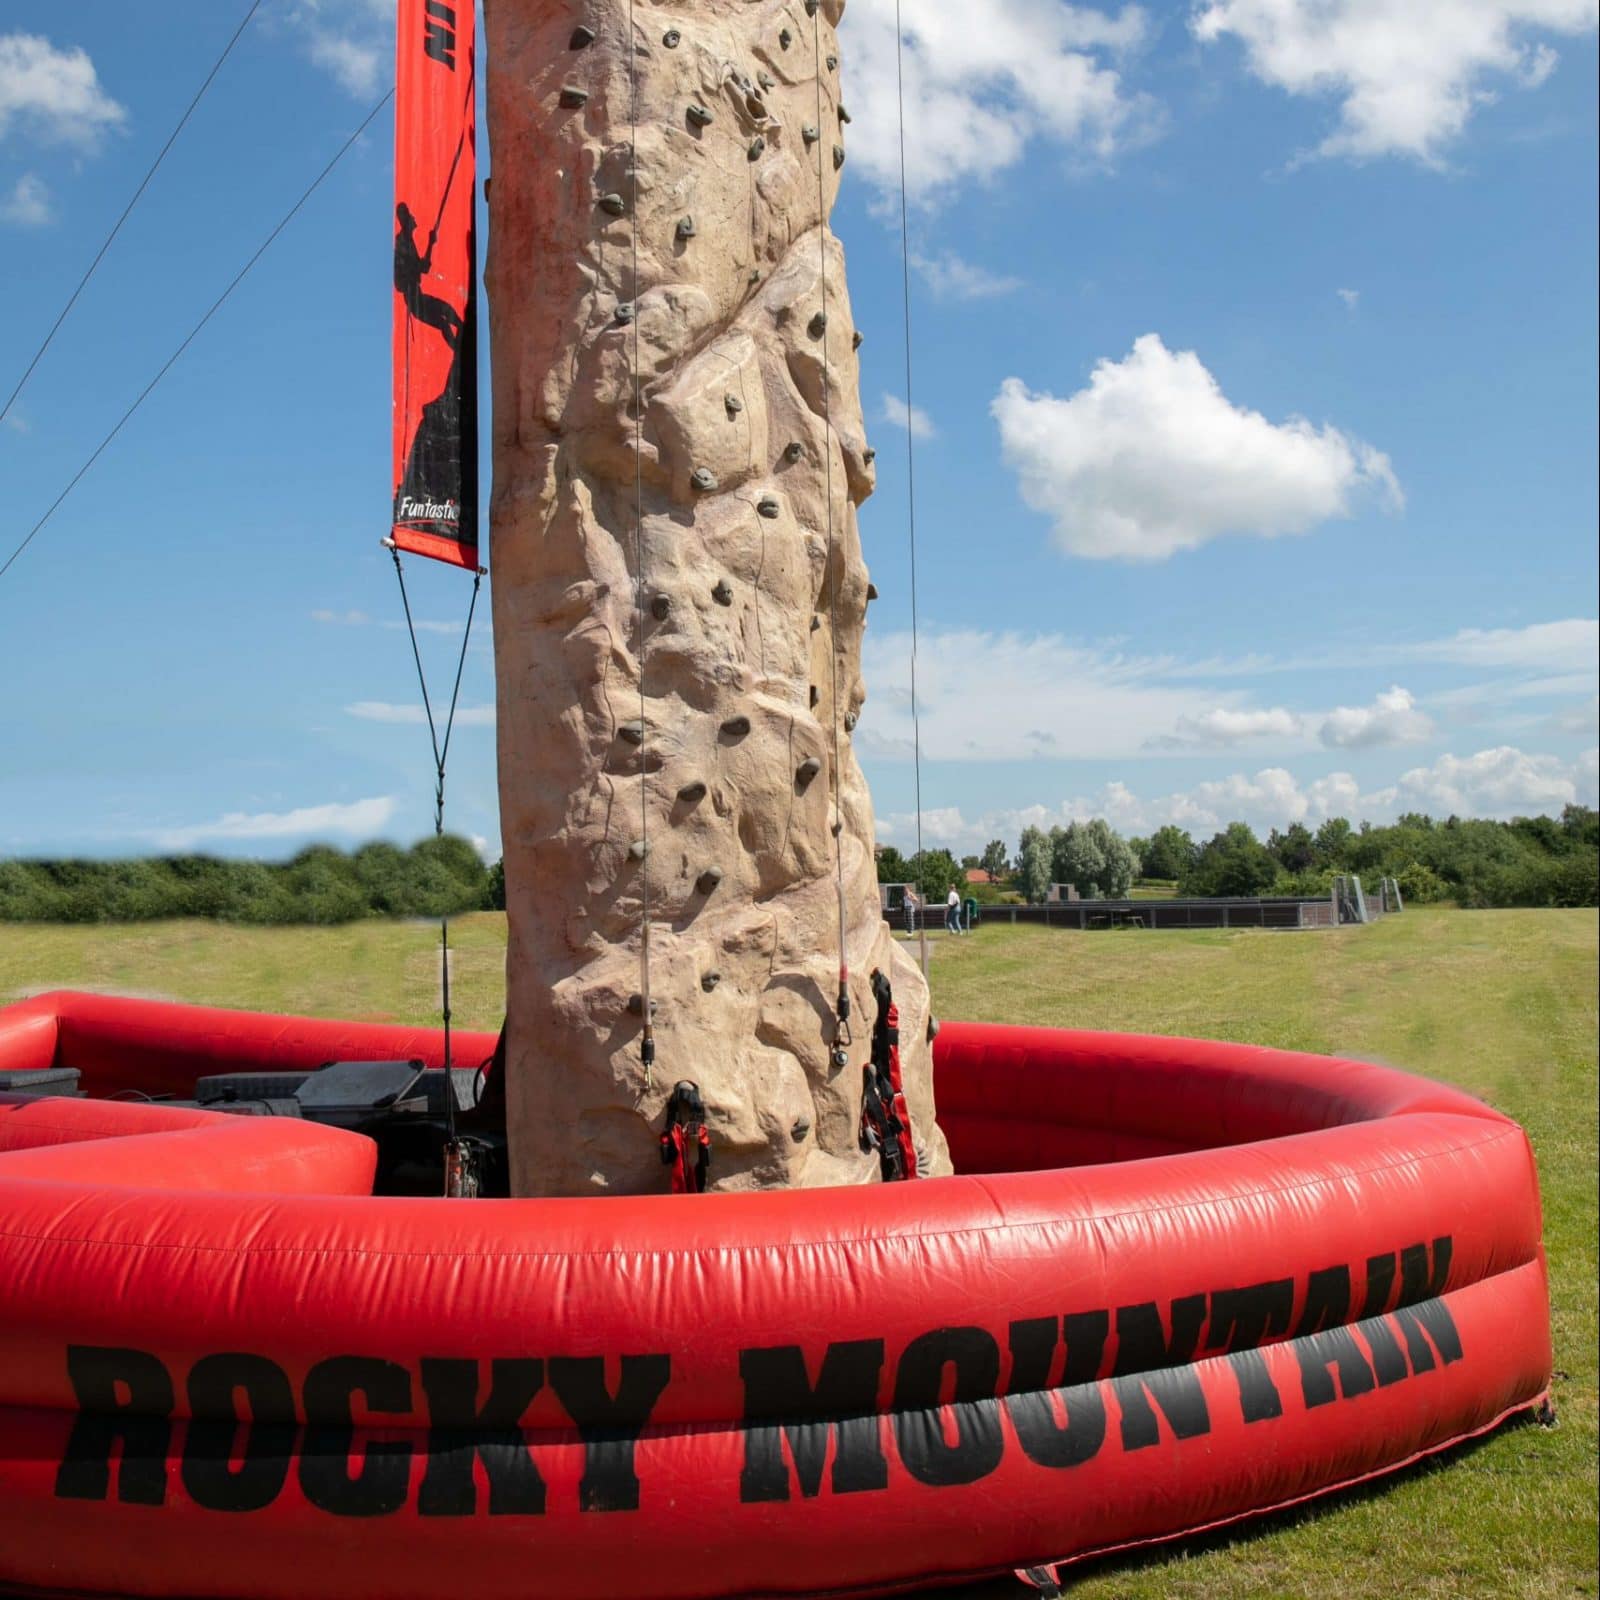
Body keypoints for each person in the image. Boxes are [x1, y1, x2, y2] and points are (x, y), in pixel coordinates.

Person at [394, 202, 462, 350]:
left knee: (446, 311)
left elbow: (423, 268)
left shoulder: (409, 243)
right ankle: (458, 347)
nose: (414, 220)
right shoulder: (402, 243)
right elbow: (417, 268)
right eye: (410, 217)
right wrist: (430, 245)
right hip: (414, 300)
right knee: (444, 317)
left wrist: (431, 244)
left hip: (417, 298)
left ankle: (460, 341)